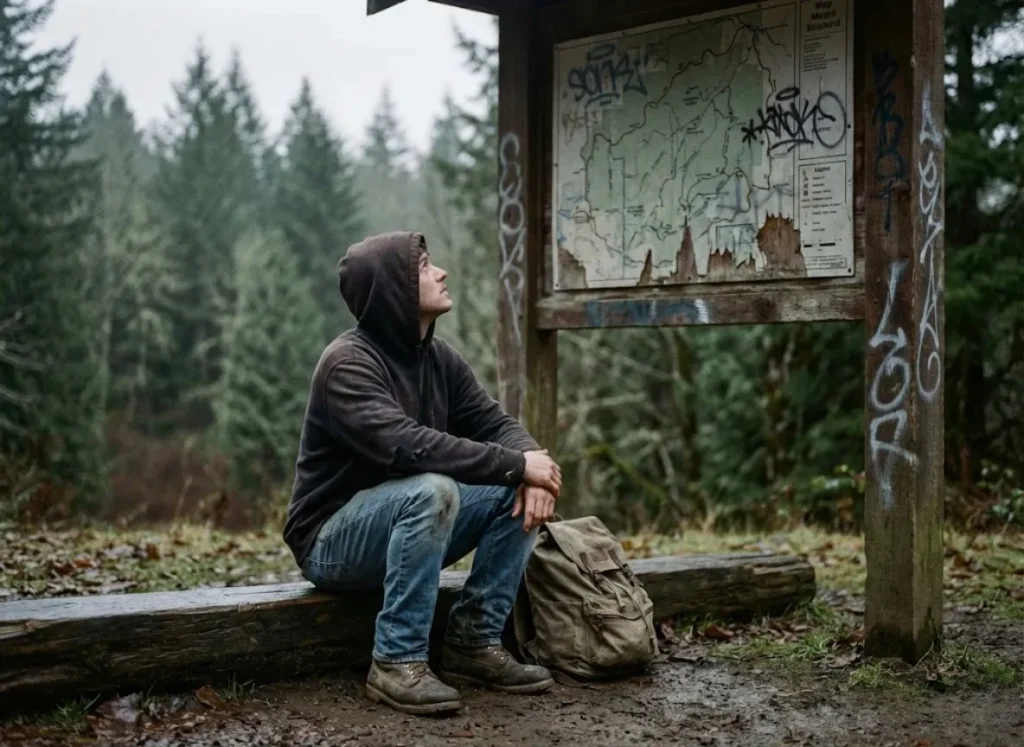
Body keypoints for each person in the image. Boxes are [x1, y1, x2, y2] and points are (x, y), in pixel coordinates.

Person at [284, 231, 563, 716]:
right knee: (432, 489)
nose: (441, 273)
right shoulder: (346, 364)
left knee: (506, 493)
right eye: (424, 267)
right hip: (330, 543)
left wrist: (531, 467)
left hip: (404, 523)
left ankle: (474, 643)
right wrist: (518, 464)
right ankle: (396, 659)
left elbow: (493, 423)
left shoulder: (437, 357)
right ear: (392, 288)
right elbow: (408, 447)